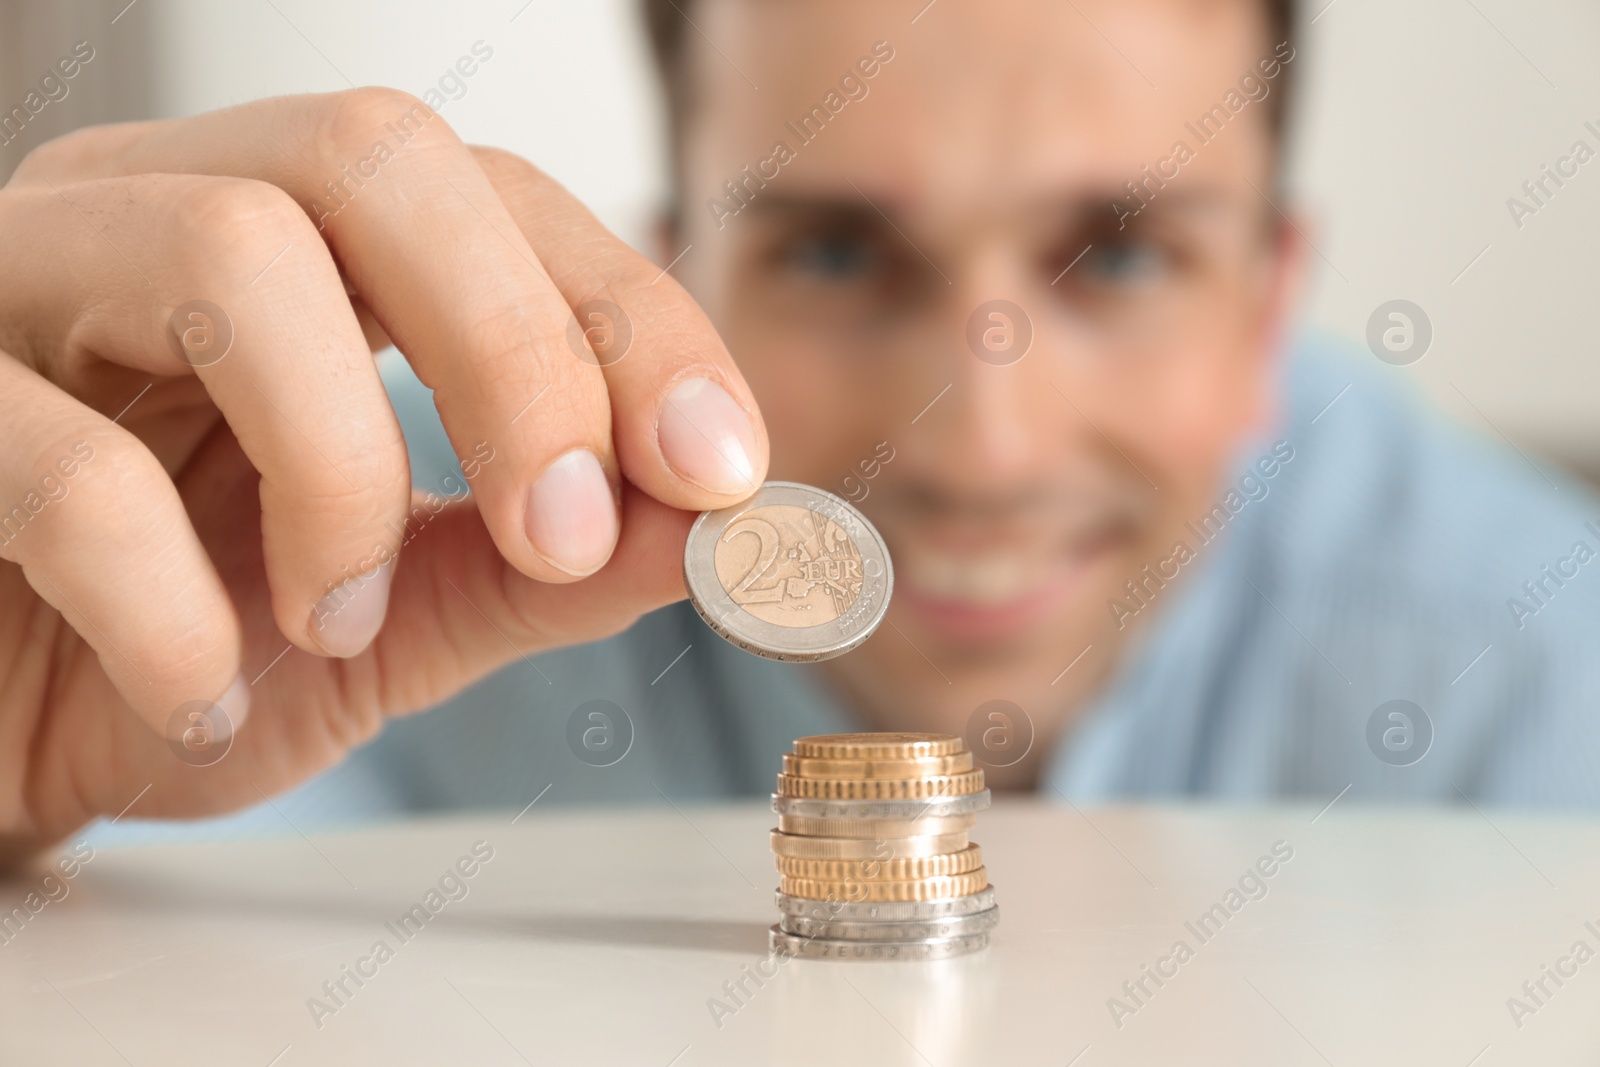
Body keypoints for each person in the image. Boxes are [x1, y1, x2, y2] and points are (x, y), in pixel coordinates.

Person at [1, 0, 1596, 860]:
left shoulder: (1536, 666)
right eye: (836, 252)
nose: (986, 448)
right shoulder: (287, 532)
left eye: (1119, 259)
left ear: (1267, 308)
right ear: (677, 261)